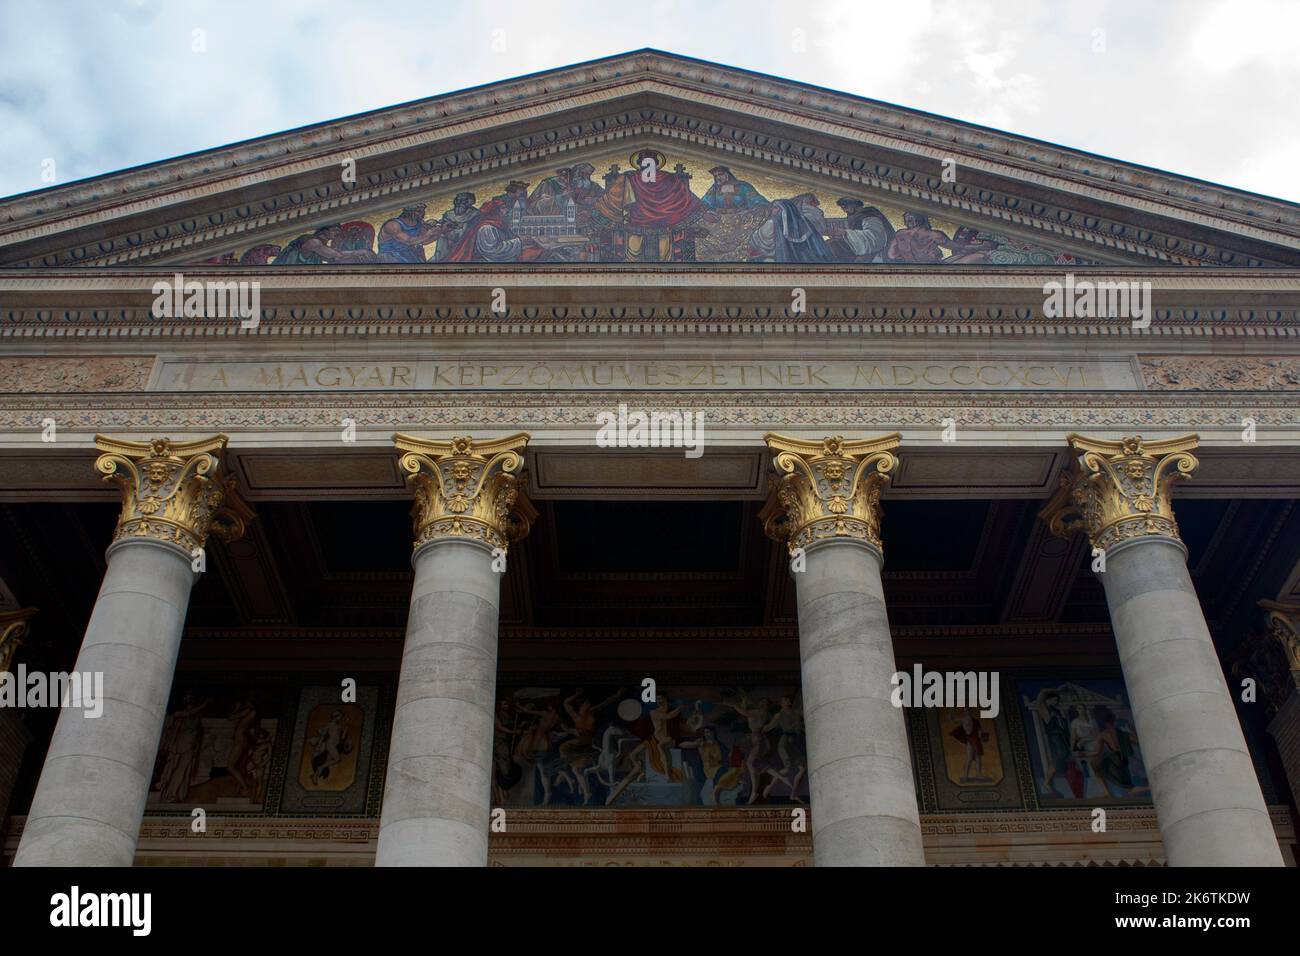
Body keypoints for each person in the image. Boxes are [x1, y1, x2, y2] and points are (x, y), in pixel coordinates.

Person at [747, 198, 831, 263]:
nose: (772, 210)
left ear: (785, 211)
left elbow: (756, 242)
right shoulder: (804, 225)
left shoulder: (771, 223)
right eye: (772, 207)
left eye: (776, 207)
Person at [826, 198, 894, 262]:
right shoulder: (853, 218)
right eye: (842, 208)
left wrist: (844, 233)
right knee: (830, 244)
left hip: (873, 253)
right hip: (858, 250)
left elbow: (875, 238)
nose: (844, 210)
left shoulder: (869, 215)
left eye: (845, 207)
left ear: (854, 205)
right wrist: (838, 235)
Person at [700, 165, 768, 211]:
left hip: (741, 219)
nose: (718, 177)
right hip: (719, 220)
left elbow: (756, 200)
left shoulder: (743, 186)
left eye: (720, 174)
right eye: (715, 176)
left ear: (728, 175)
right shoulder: (714, 189)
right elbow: (705, 203)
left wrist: (762, 206)